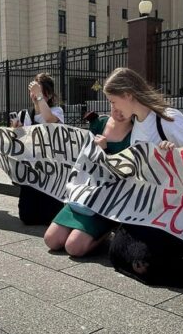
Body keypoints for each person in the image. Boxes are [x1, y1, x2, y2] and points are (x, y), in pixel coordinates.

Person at [103, 67, 183, 288]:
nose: (113, 108)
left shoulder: (168, 119)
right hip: (151, 207)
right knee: (117, 253)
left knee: (143, 263)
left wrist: (175, 156)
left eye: (113, 101)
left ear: (128, 94)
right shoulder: (136, 123)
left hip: (177, 208)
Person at [44, 108, 132, 256]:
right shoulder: (99, 123)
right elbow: (83, 158)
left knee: (74, 248)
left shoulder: (136, 133)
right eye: (113, 102)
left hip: (106, 201)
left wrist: (105, 153)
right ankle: (84, 231)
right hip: (84, 195)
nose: (118, 111)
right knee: (51, 240)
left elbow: (126, 173)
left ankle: (108, 228)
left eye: (121, 104)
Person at [11, 73, 65, 225]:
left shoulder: (56, 111)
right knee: (27, 217)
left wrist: (40, 96)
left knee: (51, 217)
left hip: (50, 171)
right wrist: (16, 130)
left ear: (48, 94)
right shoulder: (24, 114)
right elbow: (17, 141)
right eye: (33, 91)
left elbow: (48, 120)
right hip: (31, 171)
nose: (34, 95)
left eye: (39, 91)